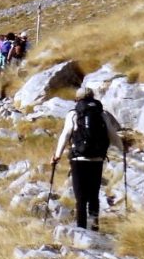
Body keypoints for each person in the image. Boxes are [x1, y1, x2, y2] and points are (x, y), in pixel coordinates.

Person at [52, 87, 123, 231]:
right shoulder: (102, 114)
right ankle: (94, 227)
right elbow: (112, 134)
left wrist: (57, 155)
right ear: (93, 97)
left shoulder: (73, 113)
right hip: (97, 159)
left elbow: (66, 134)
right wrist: (123, 150)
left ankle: (82, 230)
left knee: (81, 198)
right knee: (94, 195)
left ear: (77, 99)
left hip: (79, 159)